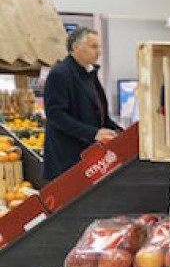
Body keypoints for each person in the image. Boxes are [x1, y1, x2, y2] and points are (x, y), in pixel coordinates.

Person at [41, 27, 121, 180]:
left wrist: (120, 132)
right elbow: (56, 115)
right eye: (93, 47)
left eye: (99, 47)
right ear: (76, 47)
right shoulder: (60, 74)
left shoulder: (90, 74)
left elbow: (100, 115)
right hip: (67, 160)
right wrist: (93, 133)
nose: (98, 52)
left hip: (90, 159)